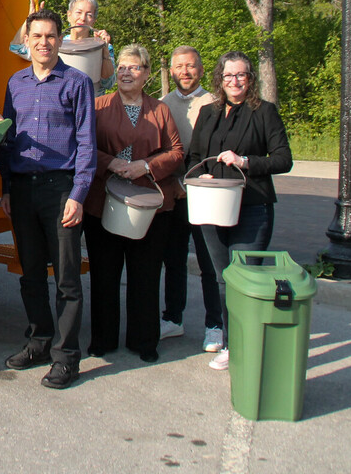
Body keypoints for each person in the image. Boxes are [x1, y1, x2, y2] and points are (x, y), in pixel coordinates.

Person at [0, 8, 96, 389]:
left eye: (50, 36)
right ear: (26, 40)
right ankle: (39, 340)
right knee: (31, 273)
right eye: (36, 36)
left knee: (67, 279)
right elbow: (8, 139)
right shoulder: (15, 83)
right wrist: (6, 186)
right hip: (23, 189)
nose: (43, 42)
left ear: (60, 40)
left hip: (61, 189)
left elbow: (87, 142)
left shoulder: (77, 83)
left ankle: (66, 356)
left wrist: (78, 193)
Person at [186, 51, 293, 371]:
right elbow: (192, 157)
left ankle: (247, 343)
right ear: (219, 79)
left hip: (252, 207)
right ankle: (232, 344)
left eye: (241, 75)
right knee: (223, 278)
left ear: (251, 79)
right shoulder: (208, 112)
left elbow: (284, 159)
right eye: (228, 75)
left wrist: (246, 162)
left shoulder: (265, 112)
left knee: (245, 277)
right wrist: (198, 173)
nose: (234, 81)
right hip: (213, 206)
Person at [83, 44, 184, 363]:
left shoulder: (161, 110)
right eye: (122, 67)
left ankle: (144, 340)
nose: (126, 72)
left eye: (134, 67)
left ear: (147, 74)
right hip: (104, 202)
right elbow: (82, 146)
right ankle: (103, 338)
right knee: (104, 274)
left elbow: (177, 152)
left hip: (150, 205)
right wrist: (109, 162)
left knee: (145, 274)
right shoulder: (97, 106)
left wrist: (146, 166)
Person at [159, 46, 224, 354]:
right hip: (174, 192)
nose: (184, 72)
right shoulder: (163, 104)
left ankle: (215, 325)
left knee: (209, 262)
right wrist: (174, 181)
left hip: (204, 193)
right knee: (173, 259)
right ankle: (173, 317)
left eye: (190, 66)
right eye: (179, 67)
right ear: (171, 71)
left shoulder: (214, 103)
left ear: (200, 69)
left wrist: (195, 181)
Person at [10, 0, 115, 92]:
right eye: (78, 12)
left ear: (94, 20)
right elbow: (16, 47)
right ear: (69, 15)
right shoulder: (54, 44)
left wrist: (104, 49)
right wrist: (30, 19)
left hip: (93, 105)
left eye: (89, 15)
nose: (82, 18)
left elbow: (108, 83)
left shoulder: (101, 46)